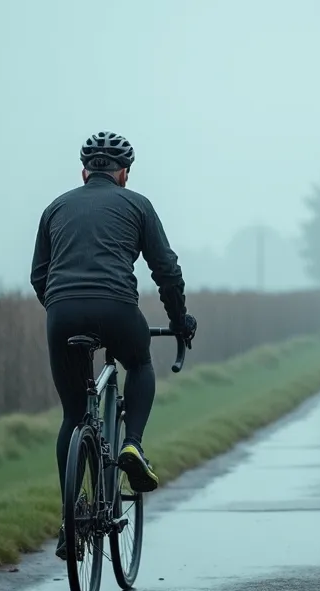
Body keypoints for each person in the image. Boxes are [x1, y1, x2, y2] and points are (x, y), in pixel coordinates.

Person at [30, 131, 197, 554]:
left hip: (62, 311)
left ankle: (70, 522)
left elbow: (39, 275)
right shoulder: (138, 204)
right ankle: (132, 444)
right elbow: (166, 269)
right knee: (139, 363)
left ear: (84, 171)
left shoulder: (55, 207)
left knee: (72, 414)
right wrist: (179, 320)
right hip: (117, 309)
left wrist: (62, 309)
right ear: (124, 173)